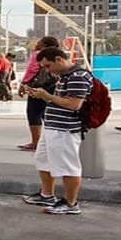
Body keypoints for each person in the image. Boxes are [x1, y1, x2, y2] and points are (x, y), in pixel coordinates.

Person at [20, 46, 94, 215]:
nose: (48, 70)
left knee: (68, 167)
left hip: (65, 129)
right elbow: (60, 100)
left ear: (59, 60)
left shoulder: (78, 77)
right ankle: (47, 195)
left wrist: (47, 96)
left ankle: (71, 203)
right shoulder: (64, 76)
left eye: (48, 66)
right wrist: (41, 95)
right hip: (53, 127)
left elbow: (74, 104)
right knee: (43, 160)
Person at [17, 36, 61, 151]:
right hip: (53, 86)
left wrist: (23, 84)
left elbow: (32, 70)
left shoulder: (38, 54)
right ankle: (52, 142)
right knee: (47, 113)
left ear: (45, 45)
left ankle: (36, 142)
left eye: (40, 42)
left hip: (39, 86)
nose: (37, 43)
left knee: (33, 112)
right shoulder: (59, 54)